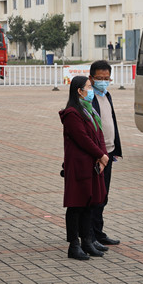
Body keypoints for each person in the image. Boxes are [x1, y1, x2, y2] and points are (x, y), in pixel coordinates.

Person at [59, 76, 109, 260]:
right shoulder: (72, 114)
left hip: (92, 164)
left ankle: (87, 241)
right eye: (88, 87)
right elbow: (83, 139)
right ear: (79, 91)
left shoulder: (90, 110)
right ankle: (74, 245)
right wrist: (101, 155)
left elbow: (99, 135)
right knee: (76, 205)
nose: (91, 90)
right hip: (79, 165)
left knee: (90, 202)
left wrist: (103, 157)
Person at [89, 60, 123, 251]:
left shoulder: (107, 95)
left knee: (103, 196)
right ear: (91, 78)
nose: (103, 82)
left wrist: (114, 150)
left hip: (108, 153)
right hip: (96, 155)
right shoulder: (88, 98)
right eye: (99, 78)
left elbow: (111, 122)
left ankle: (98, 232)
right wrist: (97, 153)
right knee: (94, 197)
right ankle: (90, 235)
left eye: (106, 78)